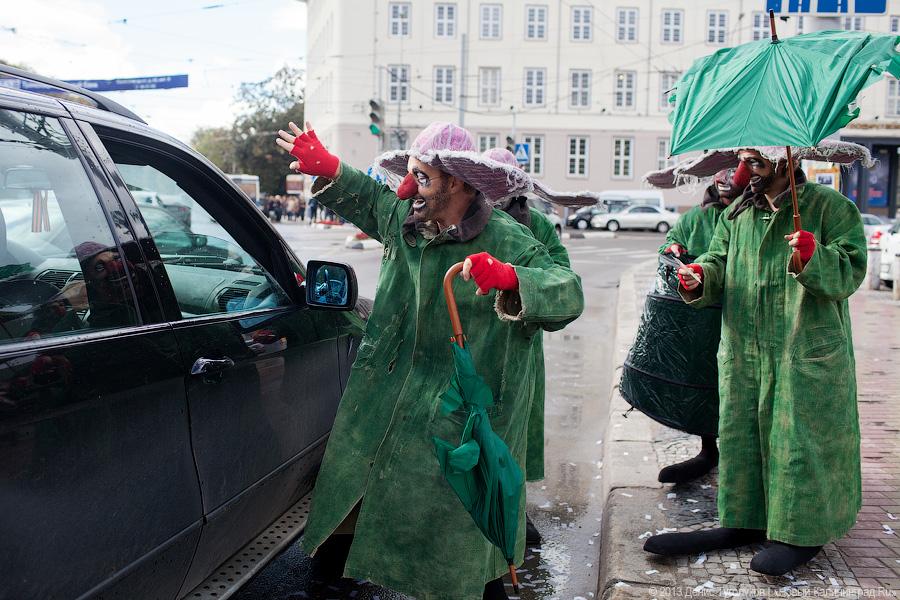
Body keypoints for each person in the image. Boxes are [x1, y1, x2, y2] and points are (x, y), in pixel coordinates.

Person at [275, 121, 584, 600]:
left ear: (456, 182)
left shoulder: (507, 238)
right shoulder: (405, 217)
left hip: (461, 404)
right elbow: (365, 196)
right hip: (391, 385)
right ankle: (332, 578)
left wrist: (511, 278)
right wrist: (331, 166)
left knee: (459, 521)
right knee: (356, 475)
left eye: (420, 177)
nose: (406, 188)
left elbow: (568, 294)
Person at [643, 147, 866, 576]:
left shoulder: (831, 208)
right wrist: (700, 275)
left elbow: (852, 269)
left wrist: (813, 256)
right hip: (745, 348)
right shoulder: (736, 216)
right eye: (745, 161)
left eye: (756, 161)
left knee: (799, 442)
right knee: (743, 435)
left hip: (804, 349)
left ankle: (802, 531)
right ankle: (745, 521)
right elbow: (717, 261)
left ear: (786, 159)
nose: (746, 171)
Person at [480, 148, 571, 546]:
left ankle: (514, 514)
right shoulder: (465, 218)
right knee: (473, 427)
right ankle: (473, 510)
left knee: (514, 429)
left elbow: (563, 279)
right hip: (472, 342)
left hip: (519, 342)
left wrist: (518, 280)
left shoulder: (537, 226)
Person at [653, 164, 749, 484]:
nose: (724, 178)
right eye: (720, 173)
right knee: (706, 379)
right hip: (702, 316)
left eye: (733, 172)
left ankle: (742, 452)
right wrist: (672, 250)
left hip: (742, 312)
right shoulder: (696, 217)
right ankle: (709, 447)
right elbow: (671, 243)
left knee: (740, 385)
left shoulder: (748, 215)